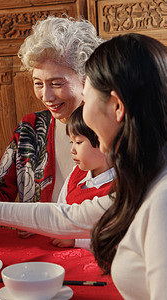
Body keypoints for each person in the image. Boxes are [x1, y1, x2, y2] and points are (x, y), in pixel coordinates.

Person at [0, 33, 167, 299]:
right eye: (38, 83)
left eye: (87, 93)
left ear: (116, 106)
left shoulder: (166, 199)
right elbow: (69, 216)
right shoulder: (150, 173)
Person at [0, 16, 104, 207]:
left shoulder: (109, 130)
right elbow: (0, 194)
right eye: (38, 83)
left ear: (86, 78)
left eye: (56, 84)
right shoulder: (30, 128)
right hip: (36, 236)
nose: (46, 96)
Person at [51, 105, 114, 249]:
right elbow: (59, 211)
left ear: (104, 142)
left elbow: (118, 238)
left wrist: (77, 241)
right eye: (71, 142)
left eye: (78, 142)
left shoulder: (121, 186)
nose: (72, 150)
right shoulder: (76, 174)